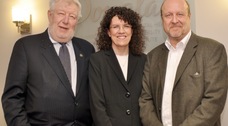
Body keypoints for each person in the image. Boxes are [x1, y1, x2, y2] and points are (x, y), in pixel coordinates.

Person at [1, 0, 94, 125]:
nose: (66, 21)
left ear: (76, 21)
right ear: (50, 15)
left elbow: (94, 94)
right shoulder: (26, 47)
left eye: (72, 16)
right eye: (61, 13)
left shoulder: (87, 48)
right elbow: (12, 99)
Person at [139, 0, 228, 126]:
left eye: (180, 14)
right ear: (162, 19)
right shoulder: (152, 57)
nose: (174, 20)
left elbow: (214, 101)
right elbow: (145, 100)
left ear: (189, 16)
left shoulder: (212, 50)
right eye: (168, 15)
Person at [89, 6, 146, 126]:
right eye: (115, 27)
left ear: (132, 31)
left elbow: (147, 100)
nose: (121, 31)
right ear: (108, 32)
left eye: (126, 26)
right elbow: (97, 106)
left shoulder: (143, 60)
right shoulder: (97, 60)